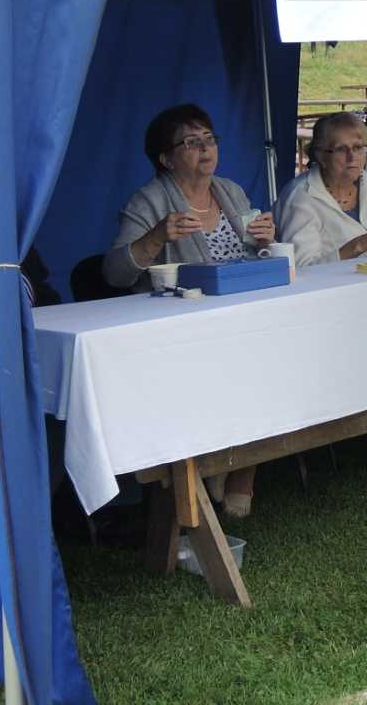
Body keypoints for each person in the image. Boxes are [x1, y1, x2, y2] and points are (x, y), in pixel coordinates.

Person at [104, 103, 275, 516]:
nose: (205, 149)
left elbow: (255, 253)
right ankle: (223, 461)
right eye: (191, 142)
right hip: (182, 328)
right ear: (165, 158)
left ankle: (239, 470)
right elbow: (114, 273)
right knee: (246, 366)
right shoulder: (149, 200)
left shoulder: (230, 191)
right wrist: (155, 236)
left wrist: (265, 238)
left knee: (273, 357)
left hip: (239, 316)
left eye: (210, 139)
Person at [275, 113, 367, 269]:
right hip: (327, 290)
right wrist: (358, 246)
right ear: (321, 155)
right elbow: (301, 269)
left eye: (358, 148)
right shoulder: (300, 198)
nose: (352, 157)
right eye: (341, 149)